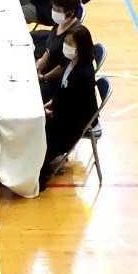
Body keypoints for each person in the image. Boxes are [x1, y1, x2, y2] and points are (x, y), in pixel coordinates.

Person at [40, 22, 98, 185]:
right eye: (66, 42)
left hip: (73, 123)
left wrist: (52, 113)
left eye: (70, 44)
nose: (66, 46)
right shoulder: (70, 62)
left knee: (38, 132)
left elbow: (74, 108)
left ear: (81, 47)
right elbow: (62, 90)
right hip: (63, 111)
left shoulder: (84, 74)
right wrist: (51, 103)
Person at [36, 0, 84, 100]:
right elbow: (50, 47)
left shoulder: (74, 35)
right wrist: (40, 64)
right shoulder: (59, 23)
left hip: (59, 83)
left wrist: (43, 78)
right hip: (47, 70)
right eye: (53, 8)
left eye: (57, 10)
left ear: (70, 13)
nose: (54, 11)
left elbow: (63, 67)